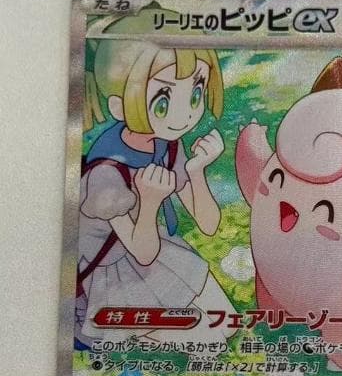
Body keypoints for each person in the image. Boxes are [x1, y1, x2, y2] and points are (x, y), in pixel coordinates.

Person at [76, 39, 235, 348]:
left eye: (196, 94)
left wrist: (196, 171)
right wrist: (149, 202)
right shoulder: (106, 173)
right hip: (113, 272)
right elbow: (142, 252)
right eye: (163, 102)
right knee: (210, 343)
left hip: (154, 249)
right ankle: (121, 335)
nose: (184, 116)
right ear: (119, 107)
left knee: (227, 325)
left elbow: (209, 224)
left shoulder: (167, 142)